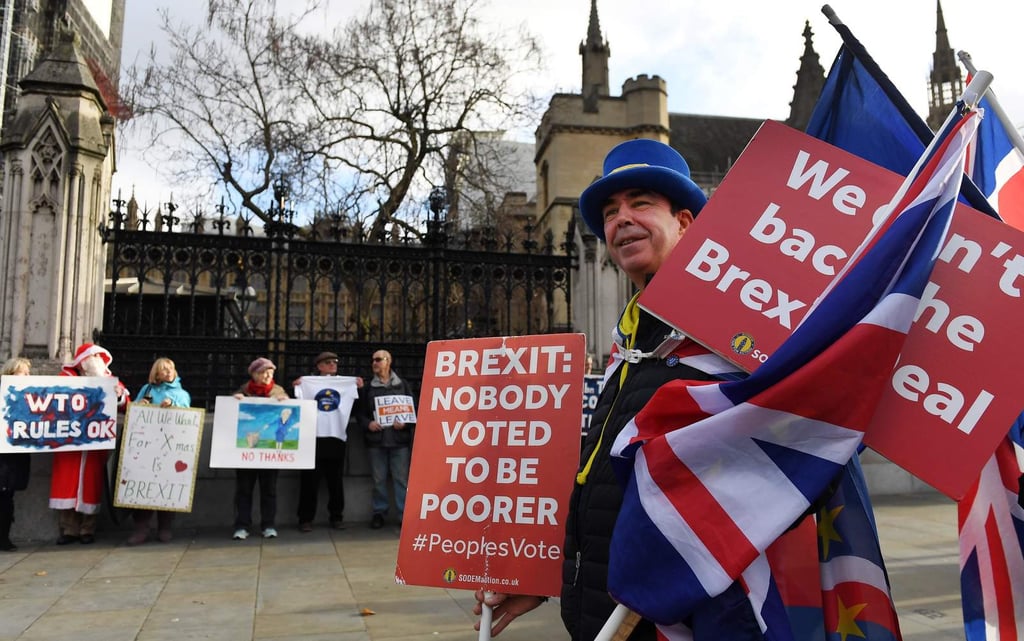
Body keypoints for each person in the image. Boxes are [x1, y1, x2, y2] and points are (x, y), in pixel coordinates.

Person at [474, 139, 757, 640]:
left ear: (687, 223)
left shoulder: (732, 339)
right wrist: (548, 579)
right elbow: (603, 482)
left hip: (674, 618)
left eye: (641, 202)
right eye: (610, 211)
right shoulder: (631, 340)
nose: (620, 219)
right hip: (600, 612)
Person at [50, 343, 130, 545]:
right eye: (92, 356)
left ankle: (87, 529)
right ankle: (68, 529)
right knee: (66, 485)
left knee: (91, 487)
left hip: (94, 447)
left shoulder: (108, 381)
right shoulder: (64, 380)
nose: (96, 360)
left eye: (98, 356)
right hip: (69, 446)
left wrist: (118, 395)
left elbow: (126, 404)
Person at [293, 351, 362, 532]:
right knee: (309, 483)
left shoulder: (345, 383)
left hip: (336, 436)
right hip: (313, 438)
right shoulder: (308, 383)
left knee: (335, 482)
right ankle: (305, 519)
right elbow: (296, 399)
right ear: (319, 366)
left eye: (335, 362)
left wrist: (359, 388)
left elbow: (358, 406)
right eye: (329, 362)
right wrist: (297, 386)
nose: (333, 365)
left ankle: (336, 517)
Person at [126, 357, 191, 545]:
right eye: (164, 369)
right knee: (143, 487)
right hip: (147, 447)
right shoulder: (147, 390)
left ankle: (165, 527)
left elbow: (187, 417)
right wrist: (141, 406)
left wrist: (173, 407)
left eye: (171, 368)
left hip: (171, 447)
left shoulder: (181, 394)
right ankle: (141, 528)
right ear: (157, 373)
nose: (169, 372)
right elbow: (134, 412)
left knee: (166, 486)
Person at [355, 349, 415, 529]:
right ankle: (379, 512)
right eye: (373, 360)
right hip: (377, 441)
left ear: (388, 361)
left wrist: (405, 424)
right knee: (378, 479)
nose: (374, 363)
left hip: (399, 441)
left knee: (401, 479)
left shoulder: (402, 385)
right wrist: (369, 424)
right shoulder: (368, 388)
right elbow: (360, 414)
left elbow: (413, 412)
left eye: (378, 359)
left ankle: (404, 515)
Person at [231, 357, 288, 540]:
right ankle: (242, 525)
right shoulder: (244, 391)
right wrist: (235, 401)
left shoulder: (278, 391)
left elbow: (289, 412)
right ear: (254, 374)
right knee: (244, 490)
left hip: (269, 453)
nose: (268, 375)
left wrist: (285, 402)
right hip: (246, 453)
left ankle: (268, 525)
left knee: (269, 489)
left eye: (271, 372)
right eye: (264, 372)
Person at [0, 357, 32, 551]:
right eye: (24, 373)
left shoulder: (30, 396)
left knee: (7, 497)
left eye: (29, 373)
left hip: (15, 455)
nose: (27, 377)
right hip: (2, 455)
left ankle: (4, 537)